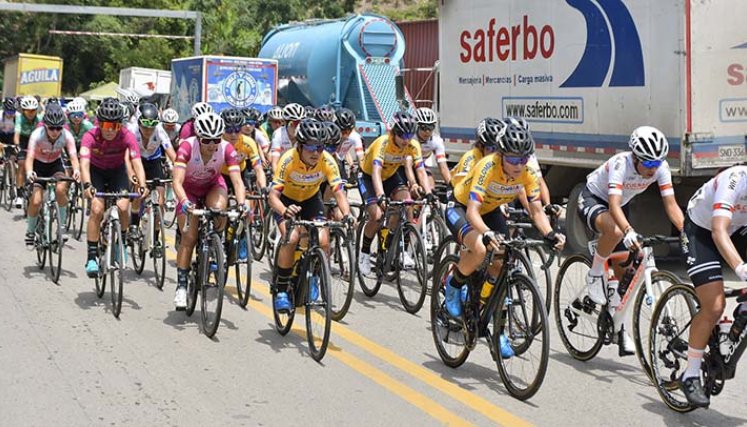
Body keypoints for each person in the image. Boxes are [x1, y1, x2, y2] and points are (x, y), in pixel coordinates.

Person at [443, 123, 565, 359]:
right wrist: (487, 233)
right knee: (479, 247)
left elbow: (536, 211)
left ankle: (495, 327)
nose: (518, 165)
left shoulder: (527, 172)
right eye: (512, 159)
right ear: (500, 154)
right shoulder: (487, 166)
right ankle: (454, 284)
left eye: (523, 159)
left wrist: (550, 234)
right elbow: (472, 213)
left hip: (491, 210)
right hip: (462, 207)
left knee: (502, 262)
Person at [577, 126, 684, 354]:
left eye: (656, 164)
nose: (652, 170)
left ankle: (618, 327)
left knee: (625, 272)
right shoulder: (620, 164)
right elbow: (613, 204)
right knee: (615, 232)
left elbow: (671, 204)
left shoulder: (660, 168)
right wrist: (627, 230)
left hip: (620, 206)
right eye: (647, 164)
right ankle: (595, 273)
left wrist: (686, 232)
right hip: (594, 198)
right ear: (635, 157)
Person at [676, 165, 747, 407]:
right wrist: (741, 269)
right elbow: (718, 231)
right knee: (714, 306)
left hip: (738, 229)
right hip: (702, 231)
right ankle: (691, 373)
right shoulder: (735, 180)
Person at [268, 118, 354, 311]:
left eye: (320, 147)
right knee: (291, 238)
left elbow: (339, 192)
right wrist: (283, 210)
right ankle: (281, 288)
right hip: (287, 201)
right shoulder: (288, 159)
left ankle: (314, 276)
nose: (316, 152)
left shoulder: (327, 160)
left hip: (310, 200)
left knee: (323, 240)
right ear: (299, 145)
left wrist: (347, 214)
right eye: (311, 147)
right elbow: (272, 197)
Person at [171, 112, 248, 309]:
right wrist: (184, 202)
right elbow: (177, 182)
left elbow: (237, 181)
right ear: (198, 137)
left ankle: (215, 246)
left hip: (212, 186)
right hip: (188, 190)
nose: (212, 145)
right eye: (207, 140)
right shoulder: (187, 146)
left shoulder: (226, 148)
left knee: (219, 210)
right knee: (189, 236)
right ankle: (181, 286)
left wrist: (242, 204)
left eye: (216, 139)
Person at [357, 111, 436, 276]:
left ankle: (394, 245)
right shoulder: (383, 143)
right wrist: (380, 196)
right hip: (368, 177)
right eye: (402, 135)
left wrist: (428, 192)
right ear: (394, 132)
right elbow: (376, 172)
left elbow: (420, 170)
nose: (406, 139)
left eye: (409, 135)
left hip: (391, 176)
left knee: (407, 203)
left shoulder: (412, 145)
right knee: (377, 215)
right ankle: (364, 253)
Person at [79, 98, 148, 278]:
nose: (110, 130)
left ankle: (122, 245)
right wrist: (87, 185)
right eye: (107, 125)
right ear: (100, 123)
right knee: (97, 209)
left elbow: (137, 163)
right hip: (96, 173)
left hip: (118, 172)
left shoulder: (127, 136)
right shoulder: (90, 136)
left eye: (115, 126)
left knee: (123, 206)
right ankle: (92, 257)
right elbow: (84, 165)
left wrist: (142, 184)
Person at [24, 105, 80, 246]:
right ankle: (31, 230)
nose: (55, 131)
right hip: (38, 165)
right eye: (51, 128)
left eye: (59, 128)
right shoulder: (37, 135)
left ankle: (61, 228)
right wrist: (30, 172)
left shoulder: (67, 136)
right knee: (36, 201)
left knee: (61, 190)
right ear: (45, 126)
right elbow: (29, 158)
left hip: (55, 165)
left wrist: (77, 170)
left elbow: (73, 157)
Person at [126, 103, 177, 239]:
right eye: (145, 127)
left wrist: (179, 169)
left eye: (151, 127)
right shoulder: (132, 131)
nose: (148, 131)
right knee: (139, 193)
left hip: (154, 162)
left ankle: (156, 236)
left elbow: (171, 153)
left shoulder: (160, 131)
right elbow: (127, 156)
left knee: (160, 202)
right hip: (138, 161)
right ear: (139, 124)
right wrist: (131, 172)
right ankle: (134, 225)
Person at [405, 107, 450, 195]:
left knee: (430, 189)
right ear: (416, 126)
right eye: (423, 127)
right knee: (411, 194)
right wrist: (413, 183)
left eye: (431, 127)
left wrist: (451, 185)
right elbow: (408, 165)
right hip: (404, 167)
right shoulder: (409, 139)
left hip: (421, 166)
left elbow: (443, 168)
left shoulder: (436, 141)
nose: (427, 131)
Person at [450, 118, 504, 188]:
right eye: (491, 148)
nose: (495, 153)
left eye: (498, 149)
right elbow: (464, 189)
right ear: (480, 146)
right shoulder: (470, 159)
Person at [14, 96, 42, 208]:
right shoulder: (20, 118)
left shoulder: (39, 119)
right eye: (28, 110)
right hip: (23, 141)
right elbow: (17, 134)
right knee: (21, 164)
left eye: (33, 110)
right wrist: (17, 145)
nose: (31, 113)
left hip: (35, 141)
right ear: (23, 110)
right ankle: (19, 195)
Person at [270, 103, 306, 171]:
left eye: (300, 123)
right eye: (294, 123)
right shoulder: (278, 134)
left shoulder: (304, 134)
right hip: (281, 167)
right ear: (285, 123)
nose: (297, 127)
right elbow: (274, 163)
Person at [334, 107, 364, 172]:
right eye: (343, 131)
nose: (346, 134)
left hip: (340, 159)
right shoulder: (331, 133)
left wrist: (360, 169)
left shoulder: (355, 137)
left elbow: (360, 157)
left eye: (349, 131)